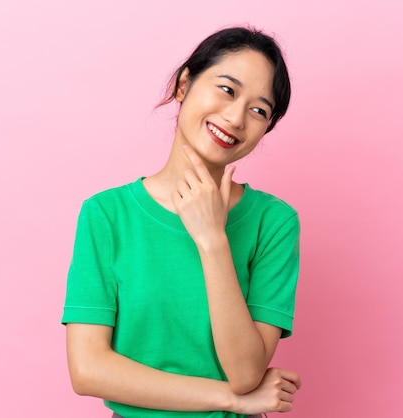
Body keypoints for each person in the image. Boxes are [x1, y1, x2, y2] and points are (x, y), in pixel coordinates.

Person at [62, 26, 301, 418]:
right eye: (227, 89)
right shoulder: (106, 214)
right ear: (183, 84)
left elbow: (245, 372)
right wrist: (233, 399)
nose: (235, 117)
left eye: (259, 110)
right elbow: (88, 370)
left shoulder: (273, 223)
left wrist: (212, 239)